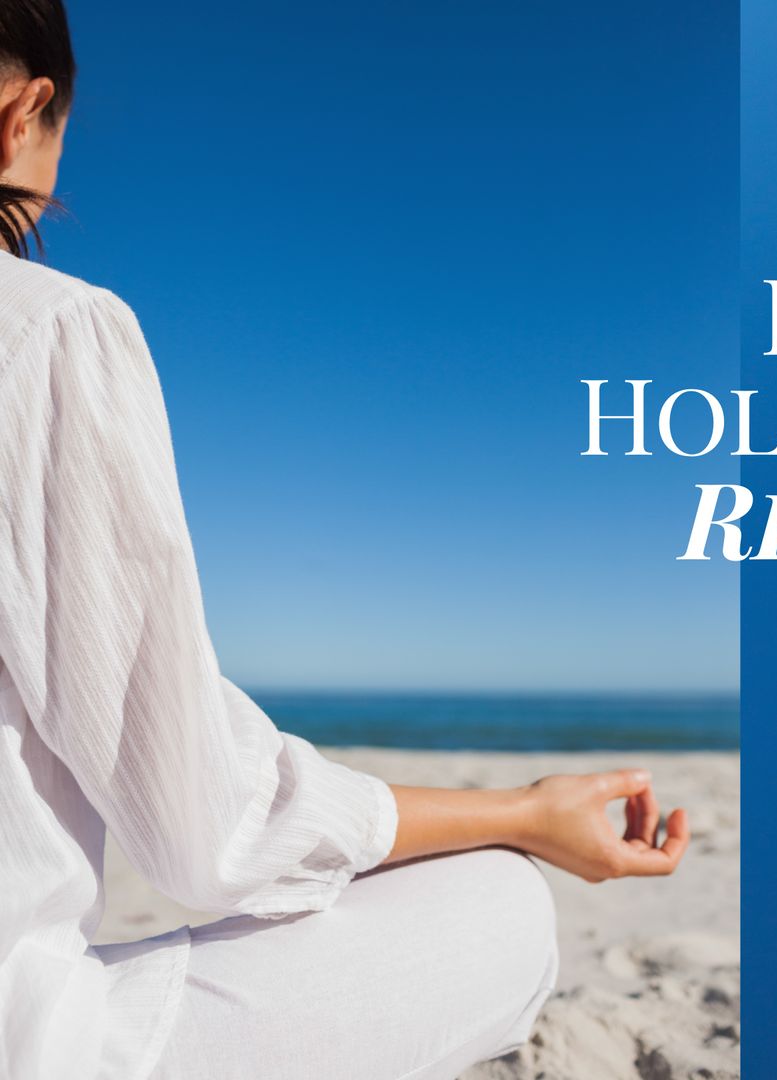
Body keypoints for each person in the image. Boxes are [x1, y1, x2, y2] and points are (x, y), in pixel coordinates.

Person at [0, 3, 691, 1078]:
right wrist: (527, 813)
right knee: (499, 902)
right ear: (23, 109)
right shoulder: (46, 330)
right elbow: (206, 826)